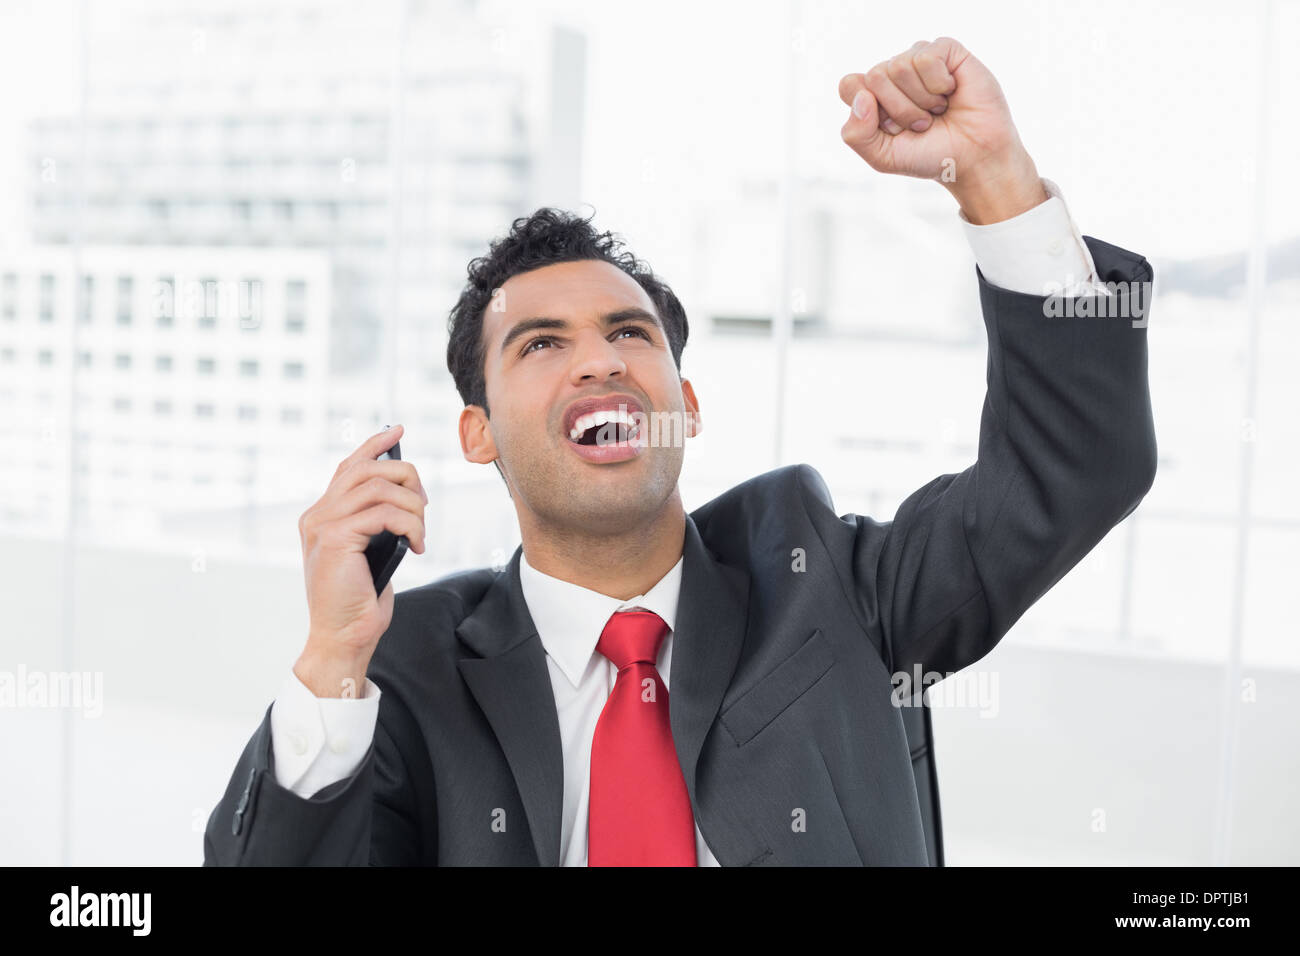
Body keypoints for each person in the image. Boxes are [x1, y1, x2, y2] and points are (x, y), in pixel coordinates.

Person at [204, 37, 1157, 866]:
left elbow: (1073, 469)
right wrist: (334, 657)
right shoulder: (410, 665)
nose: (598, 363)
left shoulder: (827, 579)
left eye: (630, 334)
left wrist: (994, 182)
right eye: (542, 344)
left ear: (686, 406)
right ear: (477, 431)